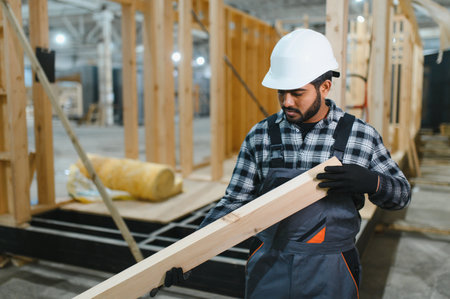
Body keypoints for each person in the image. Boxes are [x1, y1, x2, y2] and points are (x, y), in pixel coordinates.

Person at [153, 28, 411, 298]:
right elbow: (233, 203)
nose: (287, 101)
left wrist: (374, 182)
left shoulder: (360, 136)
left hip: (332, 269)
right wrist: (188, 254)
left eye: (297, 93)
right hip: (269, 266)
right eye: (282, 92)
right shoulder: (261, 135)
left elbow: (401, 196)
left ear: (325, 86)